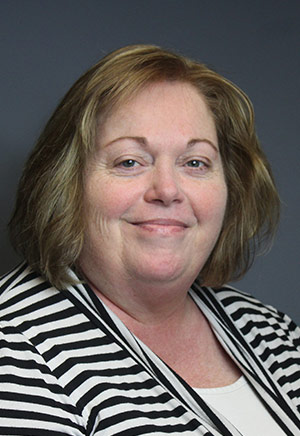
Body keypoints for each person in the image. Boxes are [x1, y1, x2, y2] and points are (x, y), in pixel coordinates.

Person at [0, 44, 299, 436]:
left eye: (195, 163)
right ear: (67, 183)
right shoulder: (14, 348)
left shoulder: (274, 332)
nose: (167, 190)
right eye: (129, 162)